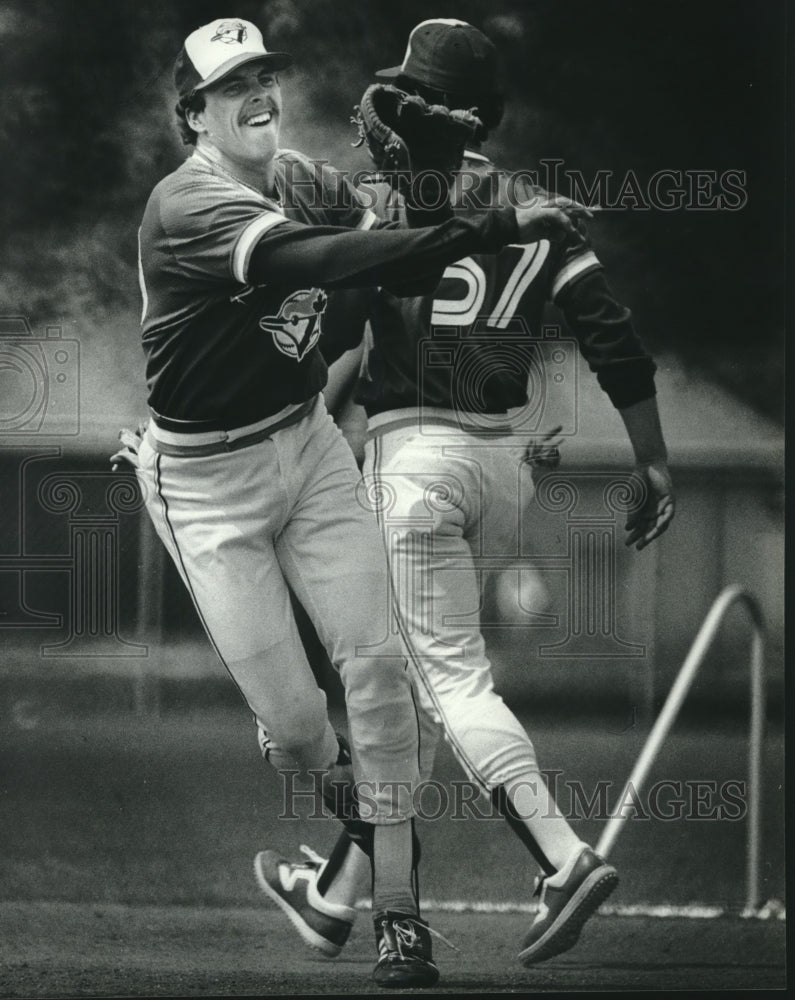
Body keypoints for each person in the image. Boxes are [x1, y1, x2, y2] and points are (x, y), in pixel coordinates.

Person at [130, 16, 588, 989]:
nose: (257, 92)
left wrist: (437, 188)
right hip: (207, 485)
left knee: (379, 678)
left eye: (263, 75)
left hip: (307, 448)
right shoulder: (188, 205)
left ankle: (395, 917)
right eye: (229, 85)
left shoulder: (301, 180)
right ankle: (371, 840)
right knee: (301, 732)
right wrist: (495, 223)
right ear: (193, 115)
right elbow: (332, 264)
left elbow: (403, 264)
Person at [257, 18, 675, 969]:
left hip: (414, 464)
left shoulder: (388, 204)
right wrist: (653, 461)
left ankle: (563, 859)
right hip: (500, 468)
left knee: (448, 682)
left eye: (407, 91)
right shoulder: (534, 205)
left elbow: (338, 340)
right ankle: (335, 898)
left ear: (427, 107)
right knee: (418, 688)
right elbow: (610, 336)